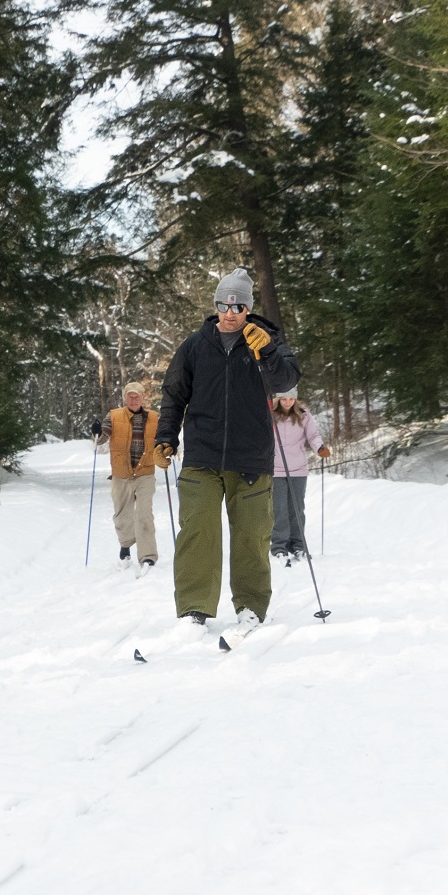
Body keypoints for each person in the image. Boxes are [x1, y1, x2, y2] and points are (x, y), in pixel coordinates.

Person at [153, 269, 299, 641]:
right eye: (223, 304)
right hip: (202, 454)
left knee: (251, 535)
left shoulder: (269, 342)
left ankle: (250, 609)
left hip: (251, 458)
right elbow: (174, 395)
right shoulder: (195, 345)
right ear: (216, 304)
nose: (230, 312)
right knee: (197, 531)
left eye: (238, 305)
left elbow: (285, 382)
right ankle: (194, 610)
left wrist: (265, 350)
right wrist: (166, 436)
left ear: (248, 307)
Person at [90, 381, 165, 570]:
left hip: (145, 473)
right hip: (121, 474)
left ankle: (147, 556)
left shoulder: (155, 418)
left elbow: (163, 438)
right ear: (125, 398)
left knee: (144, 514)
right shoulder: (114, 416)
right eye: (130, 396)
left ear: (142, 398)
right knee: (122, 516)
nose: (133, 399)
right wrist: (97, 431)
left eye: (137, 396)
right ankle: (125, 546)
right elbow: (102, 438)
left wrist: (166, 447)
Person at [269, 386, 332, 562]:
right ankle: (279, 546)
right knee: (279, 509)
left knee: (297, 508)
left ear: (295, 399)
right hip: (276, 469)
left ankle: (298, 545)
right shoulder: (270, 414)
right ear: (278, 399)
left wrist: (320, 447)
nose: (287, 402)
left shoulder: (304, 415)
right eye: (284, 399)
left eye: (291, 399)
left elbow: (312, 435)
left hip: (298, 468)